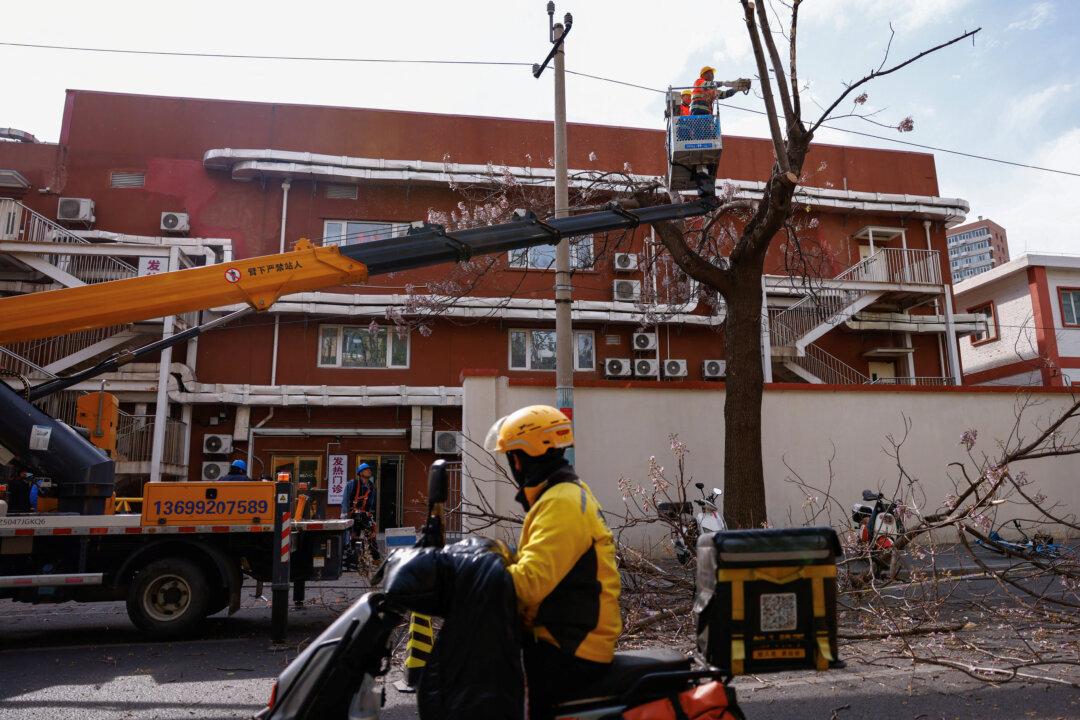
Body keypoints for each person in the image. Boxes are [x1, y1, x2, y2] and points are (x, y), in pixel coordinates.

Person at [484, 405, 621, 717]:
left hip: (570, 648)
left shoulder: (562, 503)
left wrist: (481, 571)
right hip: (567, 639)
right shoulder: (562, 496)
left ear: (520, 459)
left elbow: (528, 585)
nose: (512, 466)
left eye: (511, 457)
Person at [348, 463, 380, 562]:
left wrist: (370, 514)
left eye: (369, 470)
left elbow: (372, 502)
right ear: (361, 473)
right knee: (354, 536)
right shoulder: (352, 484)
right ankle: (354, 558)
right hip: (353, 513)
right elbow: (345, 499)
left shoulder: (371, 486)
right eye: (366, 469)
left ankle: (375, 558)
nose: (369, 471)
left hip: (365, 514)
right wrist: (344, 513)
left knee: (371, 535)